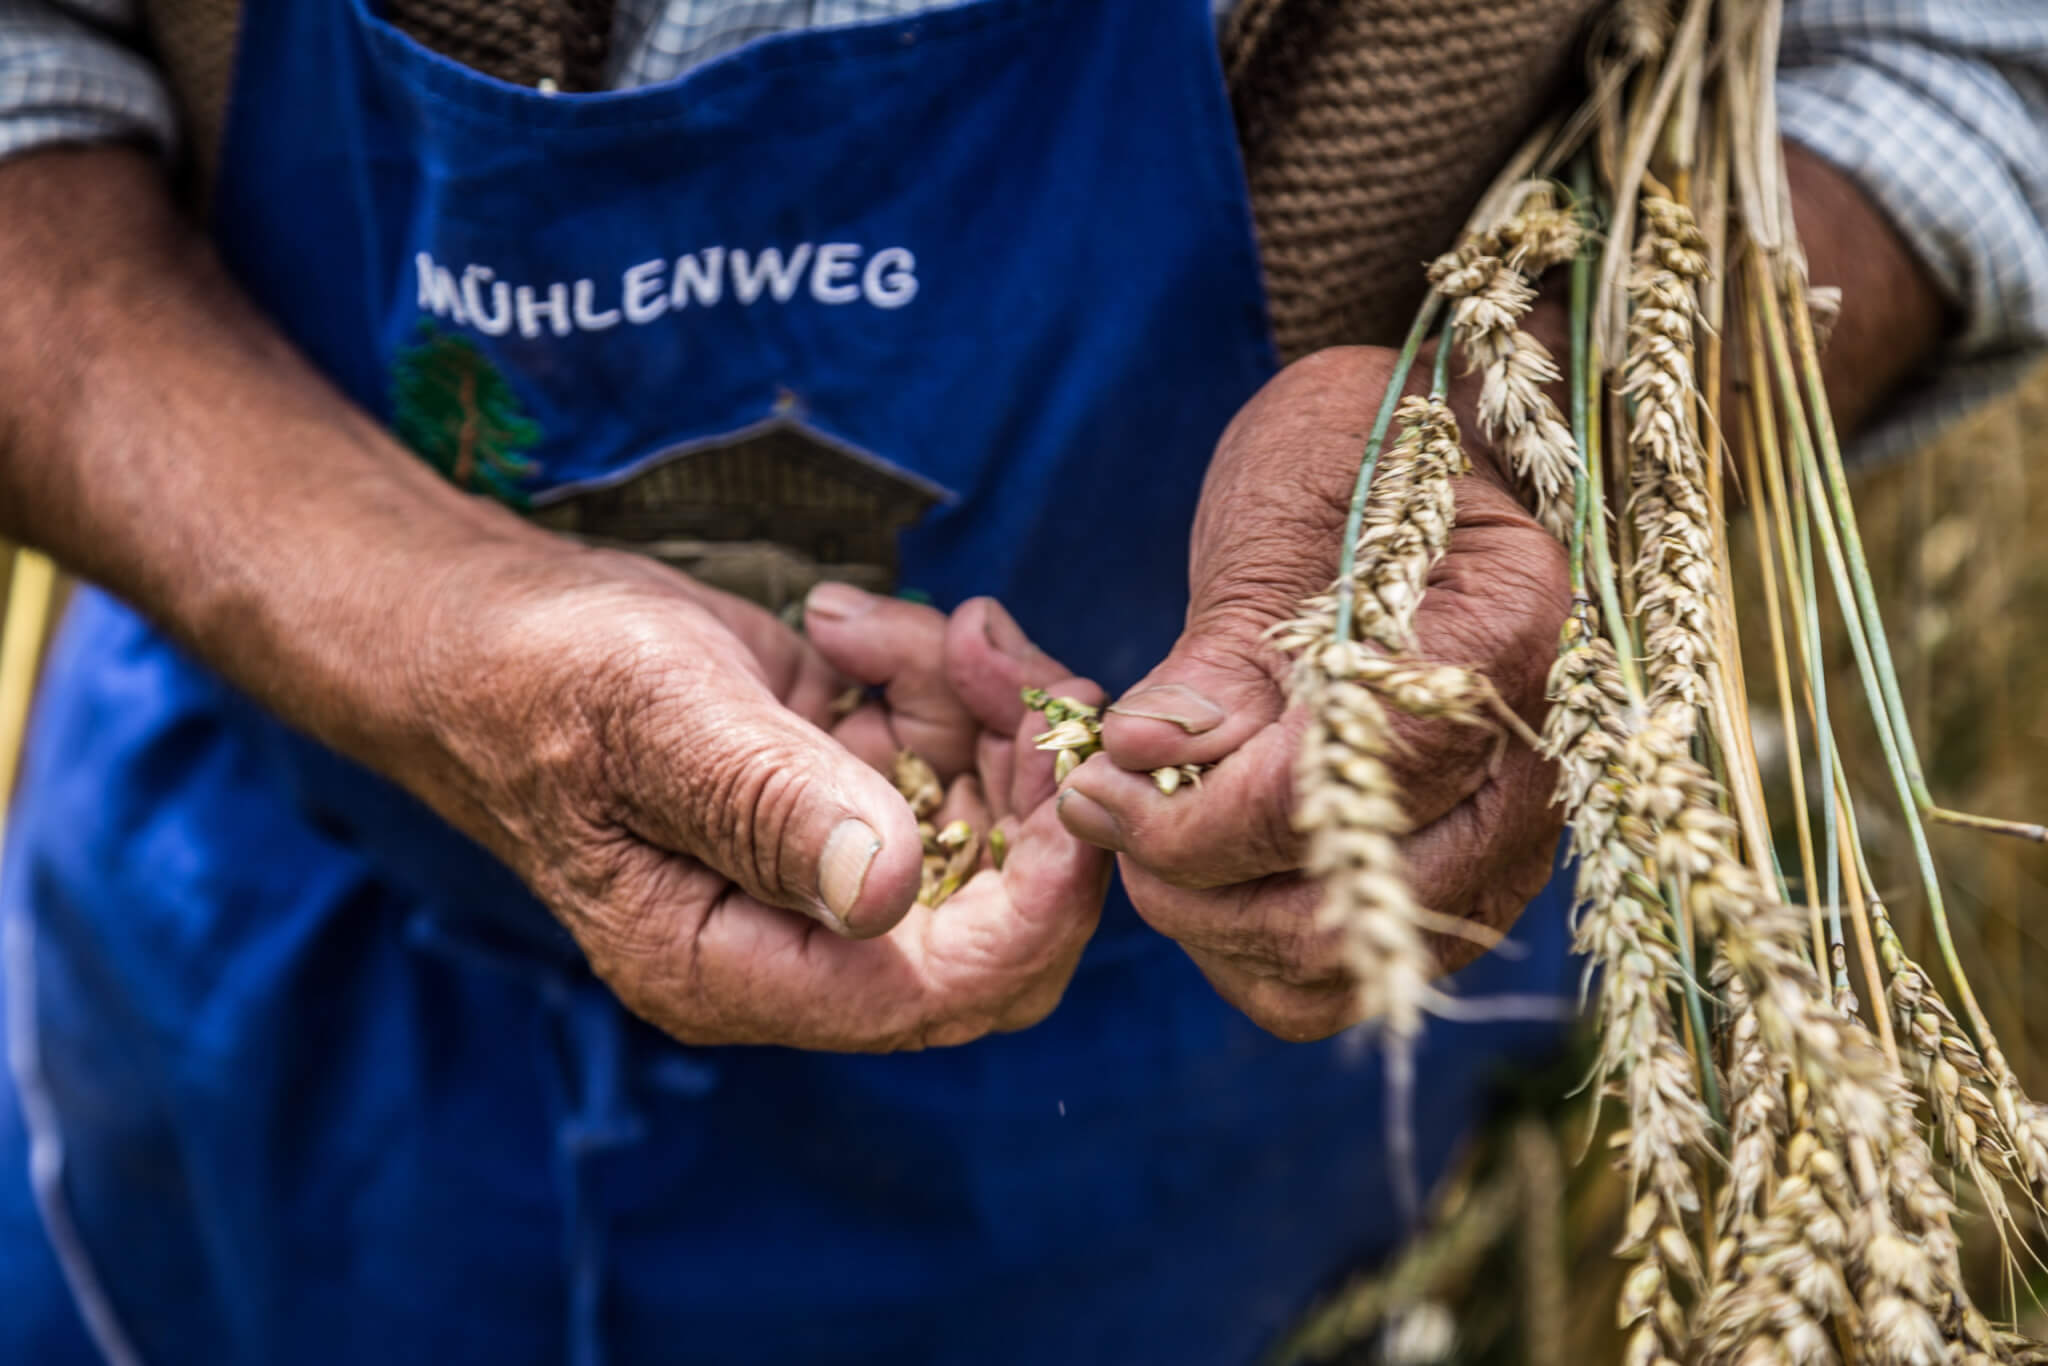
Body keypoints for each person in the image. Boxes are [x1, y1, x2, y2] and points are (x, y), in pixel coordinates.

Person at [0, 1, 2042, 1361]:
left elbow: (1963, 53)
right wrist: (407, 618)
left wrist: (1538, 447)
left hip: (1193, 1044)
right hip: (288, 950)